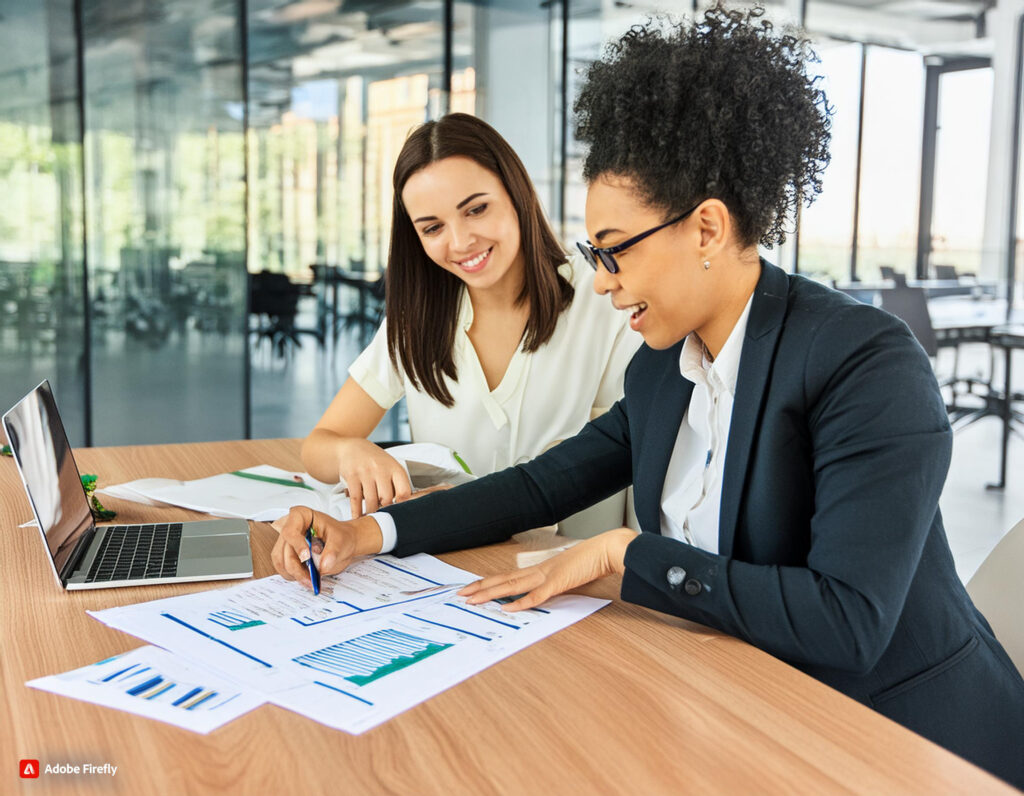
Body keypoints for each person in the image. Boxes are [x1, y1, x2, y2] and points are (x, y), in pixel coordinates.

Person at [273, 6, 1024, 787]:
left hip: (898, 742)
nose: (600, 280)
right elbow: (539, 484)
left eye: (616, 250)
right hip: (738, 705)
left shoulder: (862, 362)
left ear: (705, 228)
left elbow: (846, 623)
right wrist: (372, 536)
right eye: (595, 252)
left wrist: (621, 554)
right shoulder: (665, 368)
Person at [302, 113, 639, 523]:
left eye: (476, 209)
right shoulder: (417, 319)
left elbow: (633, 466)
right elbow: (320, 445)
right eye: (432, 228)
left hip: (576, 577)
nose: (461, 242)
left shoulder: (604, 297)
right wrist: (351, 451)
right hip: (453, 575)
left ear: (516, 192)